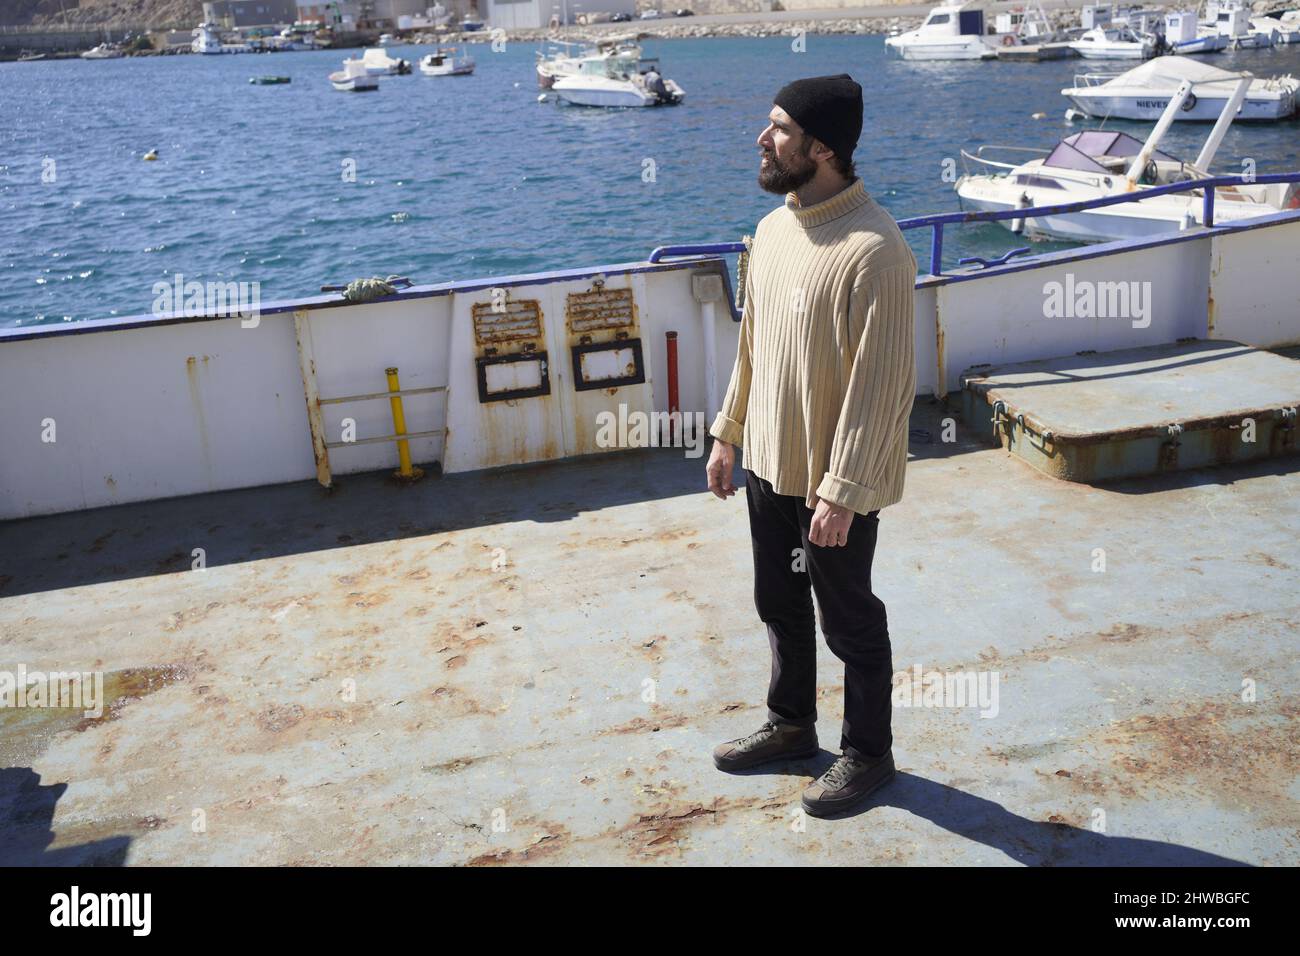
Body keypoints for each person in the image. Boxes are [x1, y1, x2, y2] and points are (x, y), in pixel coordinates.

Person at [704, 74, 917, 818]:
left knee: (849, 617)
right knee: (778, 601)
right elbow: (753, 345)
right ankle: (792, 725)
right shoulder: (770, 231)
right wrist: (729, 433)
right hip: (768, 461)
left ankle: (868, 754)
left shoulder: (876, 251)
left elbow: (881, 385)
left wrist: (844, 489)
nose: (762, 141)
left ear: (822, 148)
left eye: (778, 129)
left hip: (833, 483)